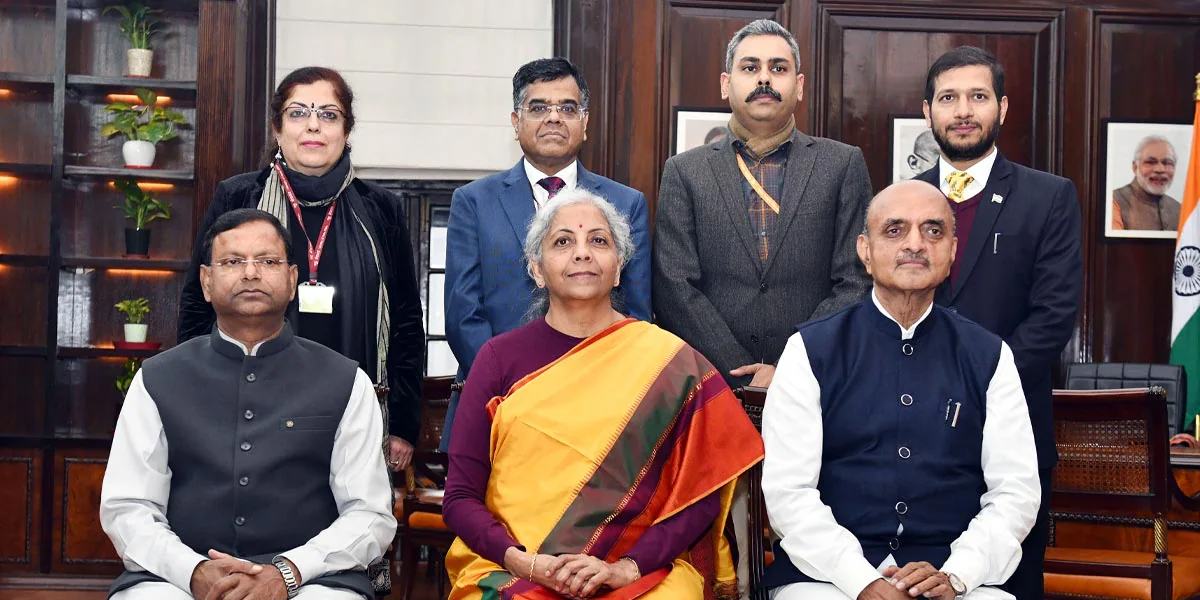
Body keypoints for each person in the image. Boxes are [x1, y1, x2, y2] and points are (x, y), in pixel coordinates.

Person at [442, 189, 763, 600]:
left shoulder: (671, 362)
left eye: (598, 240)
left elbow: (700, 498)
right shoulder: (497, 359)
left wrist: (627, 567)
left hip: (640, 570)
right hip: (517, 565)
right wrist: (524, 562)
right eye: (563, 241)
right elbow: (460, 497)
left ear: (618, 268)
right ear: (536, 269)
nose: (582, 253)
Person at [761, 180, 1041, 600]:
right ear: (865, 251)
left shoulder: (989, 355)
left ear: (952, 251)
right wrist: (862, 580)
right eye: (894, 230)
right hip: (829, 578)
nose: (915, 244)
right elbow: (788, 493)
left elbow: (1015, 493)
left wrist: (956, 574)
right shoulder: (809, 350)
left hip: (954, 577)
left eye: (933, 231)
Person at [102, 209, 397, 600]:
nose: (251, 273)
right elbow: (129, 506)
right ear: (206, 282)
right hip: (180, 577)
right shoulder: (157, 379)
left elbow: (369, 513)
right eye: (232, 262)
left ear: (292, 280)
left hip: (311, 579)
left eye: (268, 261)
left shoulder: (346, 381)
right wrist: (193, 571)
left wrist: (288, 573)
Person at [178, 66, 425, 473]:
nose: (313, 125)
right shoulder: (238, 197)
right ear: (277, 128)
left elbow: (406, 322)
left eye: (328, 114)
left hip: (353, 415)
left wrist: (402, 423)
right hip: (246, 410)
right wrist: (200, 403)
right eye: (298, 113)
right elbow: (196, 305)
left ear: (346, 130)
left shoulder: (381, 209)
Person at [912, 46, 1082, 600]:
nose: (963, 110)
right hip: (913, 434)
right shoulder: (901, 200)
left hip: (1011, 433)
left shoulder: (1049, 197)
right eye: (948, 98)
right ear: (928, 111)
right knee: (914, 581)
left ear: (1002, 108)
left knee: (1010, 586)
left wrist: (981, 384)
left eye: (978, 96)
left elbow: (1053, 315)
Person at [441, 57, 652, 450]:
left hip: (598, 413)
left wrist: (586, 393)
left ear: (585, 123)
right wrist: (513, 390)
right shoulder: (473, 202)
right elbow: (462, 314)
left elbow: (635, 314)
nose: (554, 117)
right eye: (538, 107)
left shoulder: (626, 203)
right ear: (516, 121)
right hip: (497, 407)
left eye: (567, 108)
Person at [653, 18, 871, 392]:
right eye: (750, 68)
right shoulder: (684, 171)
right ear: (726, 84)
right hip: (714, 385)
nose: (765, 78)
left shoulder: (842, 164)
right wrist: (741, 370)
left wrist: (791, 365)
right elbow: (674, 287)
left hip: (818, 380)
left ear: (799, 86)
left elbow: (856, 279)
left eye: (778, 68)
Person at [1111, 135, 1182, 230]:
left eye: (1167, 163)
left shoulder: (1179, 209)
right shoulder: (1114, 202)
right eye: (1150, 162)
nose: (1160, 169)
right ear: (1135, 167)